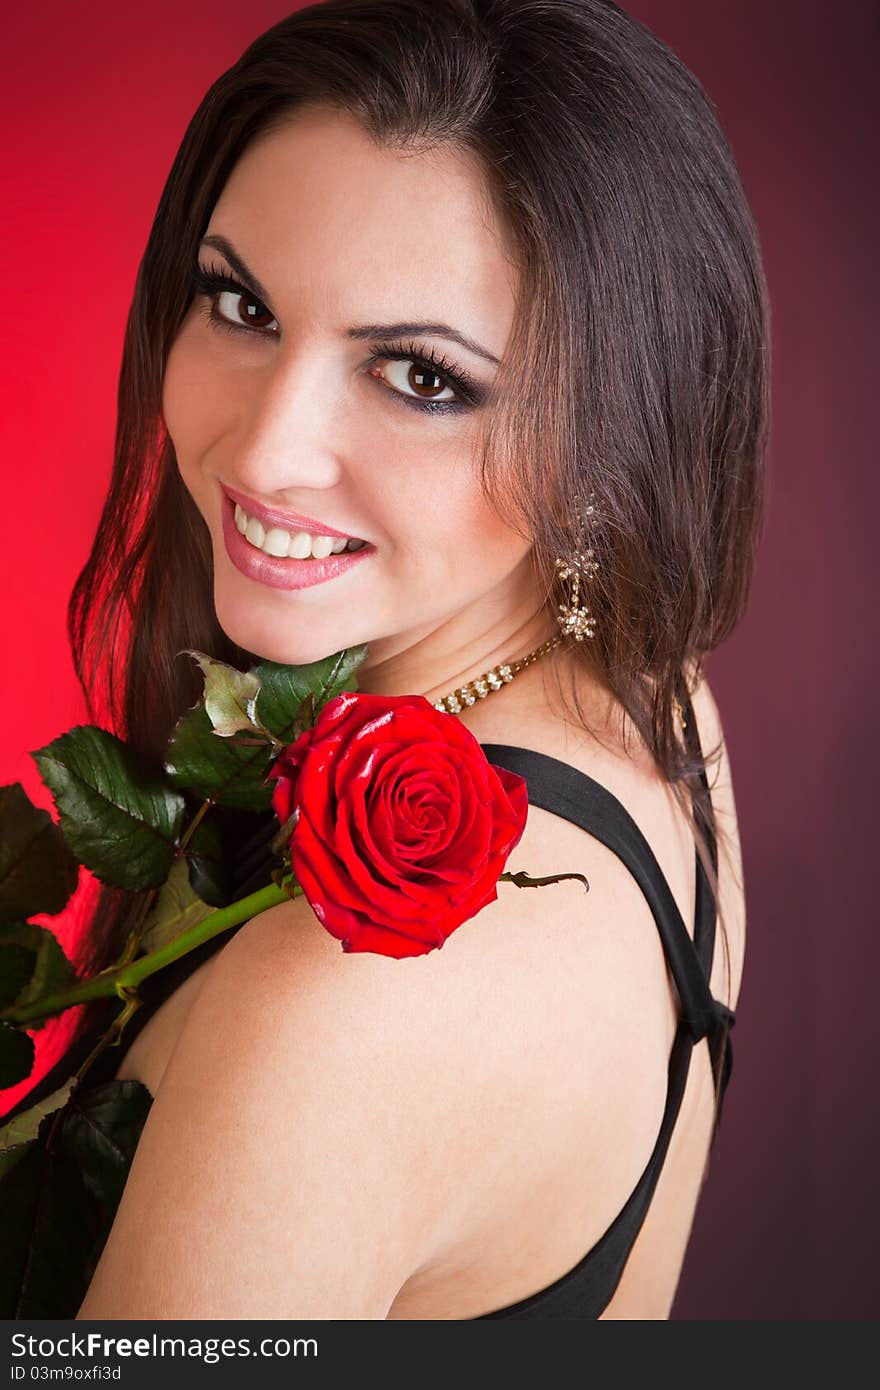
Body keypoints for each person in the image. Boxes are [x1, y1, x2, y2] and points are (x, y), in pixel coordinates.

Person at [57, 0, 766, 1318]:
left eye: (423, 377)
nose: (266, 452)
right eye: (240, 302)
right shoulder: (652, 699)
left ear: (606, 437)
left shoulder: (334, 1014)